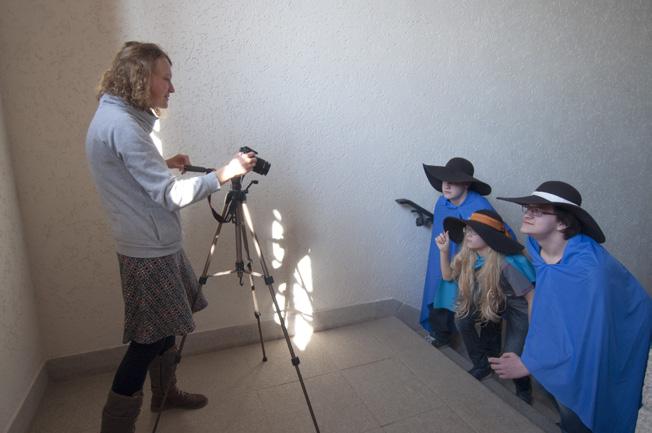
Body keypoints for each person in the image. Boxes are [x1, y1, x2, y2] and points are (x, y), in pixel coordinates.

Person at [85, 42, 257, 433]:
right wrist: (224, 173)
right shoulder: (126, 127)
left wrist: (161, 165)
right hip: (148, 249)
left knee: (162, 328)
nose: (171, 88)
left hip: (148, 242)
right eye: (167, 78)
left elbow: (124, 172)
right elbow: (171, 195)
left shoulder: (113, 116)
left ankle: (164, 393)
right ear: (142, 78)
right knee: (147, 340)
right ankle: (115, 427)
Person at [489, 181, 652, 432]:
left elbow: (585, 335)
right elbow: (551, 309)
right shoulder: (538, 249)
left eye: (538, 210)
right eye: (527, 207)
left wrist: (531, 362)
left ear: (563, 223)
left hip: (621, 331)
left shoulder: (589, 271)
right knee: (561, 394)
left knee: (586, 396)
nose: (528, 214)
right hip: (568, 340)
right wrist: (534, 355)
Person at [436, 209, 535, 404]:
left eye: (475, 232)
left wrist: (535, 331)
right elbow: (447, 276)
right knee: (462, 319)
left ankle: (524, 390)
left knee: (511, 354)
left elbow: (531, 297)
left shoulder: (508, 264)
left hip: (517, 307)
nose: (468, 235)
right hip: (492, 300)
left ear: (489, 237)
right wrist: (444, 251)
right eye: (468, 231)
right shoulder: (470, 256)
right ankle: (482, 364)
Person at [420, 157, 512, 347]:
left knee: (478, 303)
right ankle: (441, 335)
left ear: (467, 184)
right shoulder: (441, 203)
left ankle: (487, 356)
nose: (447, 185)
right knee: (440, 290)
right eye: (445, 180)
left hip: (473, 261)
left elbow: (501, 232)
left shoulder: (479, 205)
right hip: (446, 256)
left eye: (454, 181)